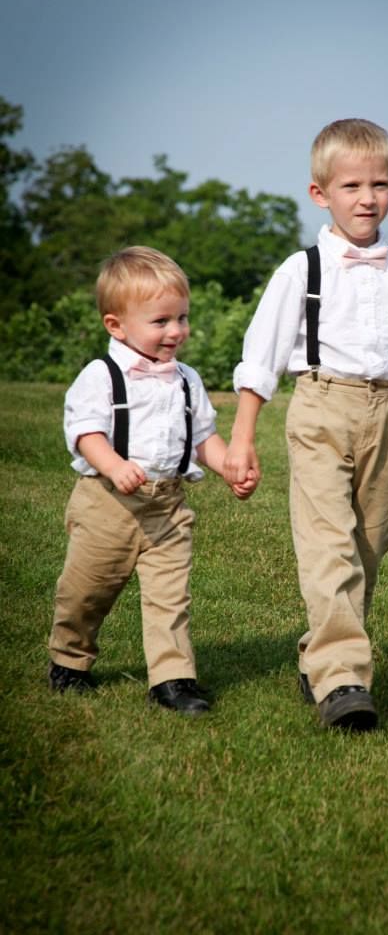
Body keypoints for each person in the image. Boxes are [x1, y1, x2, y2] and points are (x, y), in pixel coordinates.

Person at [223, 118, 388, 732]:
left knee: (367, 545)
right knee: (329, 546)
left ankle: (319, 655)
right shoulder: (301, 271)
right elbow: (261, 358)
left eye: (380, 184)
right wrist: (242, 440)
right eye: (352, 185)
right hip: (320, 407)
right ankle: (343, 680)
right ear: (320, 193)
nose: (367, 197)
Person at [48, 246, 257, 716]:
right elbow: (85, 433)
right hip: (108, 504)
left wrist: (229, 467)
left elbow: (203, 435)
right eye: (160, 322)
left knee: (170, 597)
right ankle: (69, 658)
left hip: (167, 507)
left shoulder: (186, 379)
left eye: (181, 319)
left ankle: (172, 680)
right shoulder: (101, 376)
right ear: (116, 326)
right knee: (87, 590)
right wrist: (114, 464)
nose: (176, 332)